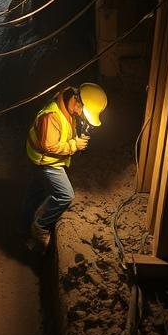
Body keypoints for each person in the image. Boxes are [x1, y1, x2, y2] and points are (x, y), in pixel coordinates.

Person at [21, 83, 107, 254]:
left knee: (36, 191)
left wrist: (75, 135)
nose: (81, 115)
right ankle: (40, 228)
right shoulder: (52, 116)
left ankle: (23, 226)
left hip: (39, 159)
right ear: (76, 100)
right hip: (45, 161)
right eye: (83, 111)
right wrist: (74, 145)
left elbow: (64, 127)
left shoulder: (66, 99)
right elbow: (49, 146)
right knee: (65, 195)